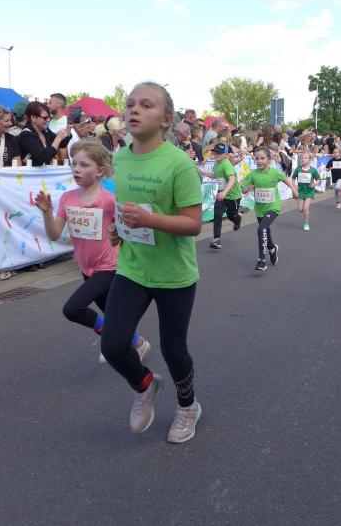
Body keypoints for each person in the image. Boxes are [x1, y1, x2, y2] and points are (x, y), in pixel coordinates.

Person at [100, 82, 203, 444]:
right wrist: (118, 229)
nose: (134, 110)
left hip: (174, 274)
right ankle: (145, 385)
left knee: (173, 350)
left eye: (146, 105)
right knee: (113, 344)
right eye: (130, 104)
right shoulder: (121, 158)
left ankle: (188, 407)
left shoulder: (179, 164)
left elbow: (194, 224)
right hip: (133, 267)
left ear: (166, 119)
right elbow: (126, 209)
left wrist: (150, 220)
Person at [35, 139, 152, 361]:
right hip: (86, 267)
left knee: (73, 309)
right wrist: (47, 213)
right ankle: (138, 343)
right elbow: (54, 234)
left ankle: (111, 338)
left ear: (99, 171)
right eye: (74, 164)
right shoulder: (68, 198)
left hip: (109, 267)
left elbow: (128, 231)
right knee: (113, 315)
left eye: (84, 165)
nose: (76, 169)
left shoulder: (109, 201)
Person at [240, 145, 298, 271]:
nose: (259, 161)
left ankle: (261, 260)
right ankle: (272, 248)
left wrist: (294, 189)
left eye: (262, 158)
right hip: (259, 208)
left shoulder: (275, 172)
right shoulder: (252, 174)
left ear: (269, 160)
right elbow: (243, 189)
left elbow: (286, 180)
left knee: (261, 229)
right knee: (265, 231)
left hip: (273, 207)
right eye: (257, 158)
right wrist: (246, 189)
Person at [201, 142, 242, 248]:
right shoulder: (216, 164)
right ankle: (217, 238)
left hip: (233, 196)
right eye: (215, 152)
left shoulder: (226, 164)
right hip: (221, 196)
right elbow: (216, 175)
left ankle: (237, 219)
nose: (216, 154)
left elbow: (232, 179)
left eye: (219, 153)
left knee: (231, 215)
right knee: (217, 214)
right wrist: (203, 173)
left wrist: (224, 192)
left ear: (226, 154)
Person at [18, 101, 70, 166]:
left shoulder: (45, 131)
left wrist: (68, 132)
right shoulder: (26, 135)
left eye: (49, 117)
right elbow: (43, 157)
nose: (48, 120)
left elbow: (62, 144)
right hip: (27, 172)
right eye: (45, 118)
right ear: (33, 118)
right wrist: (58, 138)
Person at [292, 151, 319, 230]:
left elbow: (319, 180)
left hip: (309, 191)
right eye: (302, 158)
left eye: (305, 158)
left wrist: (314, 184)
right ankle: (304, 212)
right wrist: (294, 187)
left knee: (305, 208)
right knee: (300, 209)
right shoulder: (298, 169)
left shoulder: (313, 170)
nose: (303, 159)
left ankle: (306, 223)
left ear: (309, 160)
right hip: (301, 191)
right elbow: (293, 178)